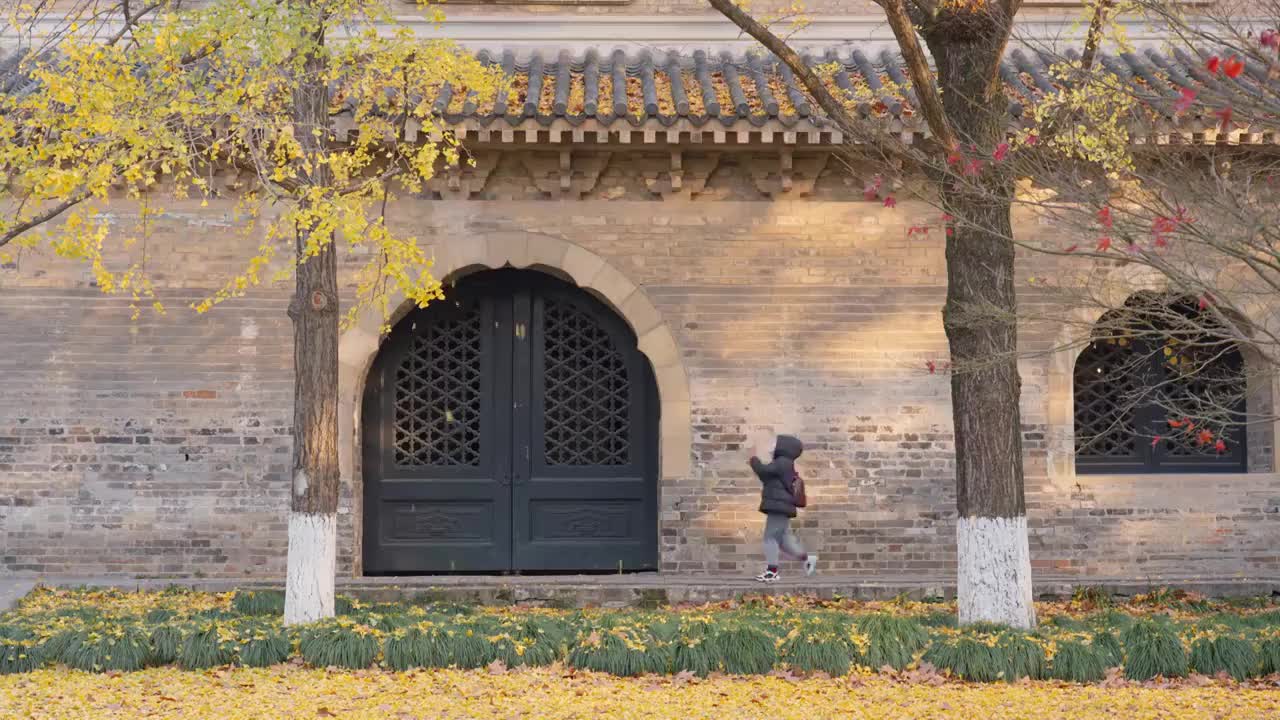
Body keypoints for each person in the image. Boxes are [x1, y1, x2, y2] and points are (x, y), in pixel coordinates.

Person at [749, 434, 817, 583]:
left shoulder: (782, 462)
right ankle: (807, 559)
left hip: (778, 506)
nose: (773, 447)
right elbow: (767, 477)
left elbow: (763, 471)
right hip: (782, 506)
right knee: (785, 540)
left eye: (776, 444)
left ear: (784, 447)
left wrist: (753, 459)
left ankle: (772, 572)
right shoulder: (784, 464)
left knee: (770, 538)